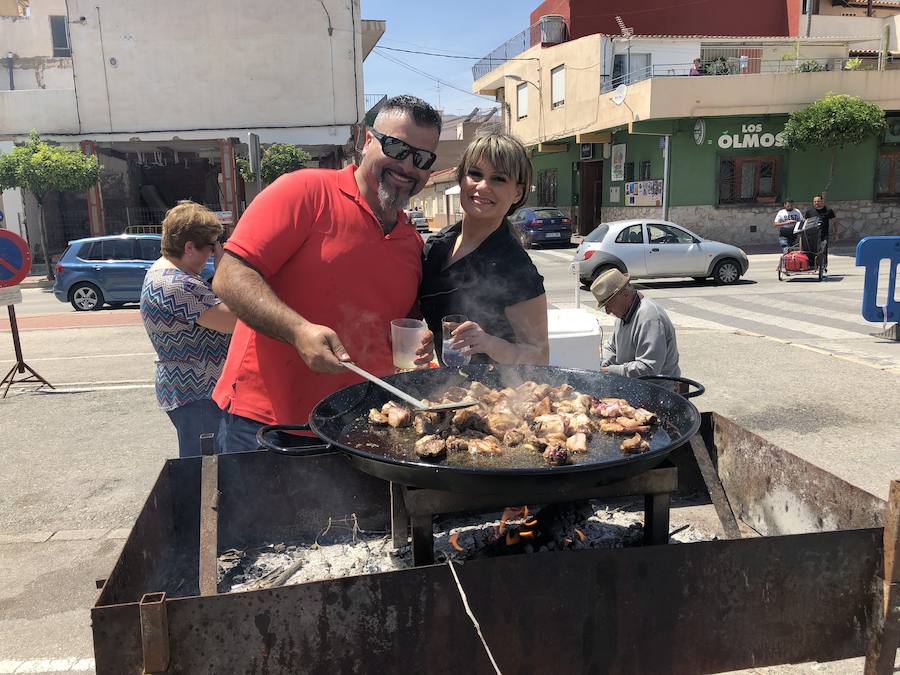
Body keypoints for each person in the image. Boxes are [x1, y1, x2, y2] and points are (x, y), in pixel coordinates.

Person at [211, 95, 440, 452]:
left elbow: (397, 325)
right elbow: (229, 275)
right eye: (396, 147)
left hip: (362, 429)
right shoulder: (304, 191)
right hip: (267, 427)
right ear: (367, 141)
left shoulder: (411, 240)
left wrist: (420, 344)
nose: (407, 166)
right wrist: (298, 331)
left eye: (422, 158)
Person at [419, 131, 549, 365]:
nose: (483, 186)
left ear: (517, 192)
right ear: (460, 180)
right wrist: (427, 340)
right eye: (475, 174)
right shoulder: (437, 247)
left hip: (500, 396)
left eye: (498, 179)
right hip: (447, 390)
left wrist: (487, 342)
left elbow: (539, 357)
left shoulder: (515, 266)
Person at [140, 201, 236, 457]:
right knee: (206, 469)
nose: (212, 255)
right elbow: (232, 321)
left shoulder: (167, 274)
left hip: (190, 390)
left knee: (206, 465)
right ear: (189, 247)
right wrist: (225, 272)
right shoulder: (177, 284)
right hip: (198, 394)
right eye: (210, 248)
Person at [593, 268, 680, 380]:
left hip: (656, 389)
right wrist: (602, 364)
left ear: (624, 295)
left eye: (609, 304)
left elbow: (648, 368)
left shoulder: (649, 317)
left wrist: (609, 370)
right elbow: (611, 348)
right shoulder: (623, 313)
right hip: (634, 384)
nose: (607, 311)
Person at [804, 195, 839, 277]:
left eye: (818, 201)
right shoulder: (809, 212)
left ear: (822, 201)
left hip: (824, 235)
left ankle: (823, 267)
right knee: (812, 251)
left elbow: (835, 222)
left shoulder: (828, 211)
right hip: (812, 236)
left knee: (823, 251)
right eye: (815, 201)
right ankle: (812, 266)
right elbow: (805, 223)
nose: (816, 203)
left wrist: (836, 234)